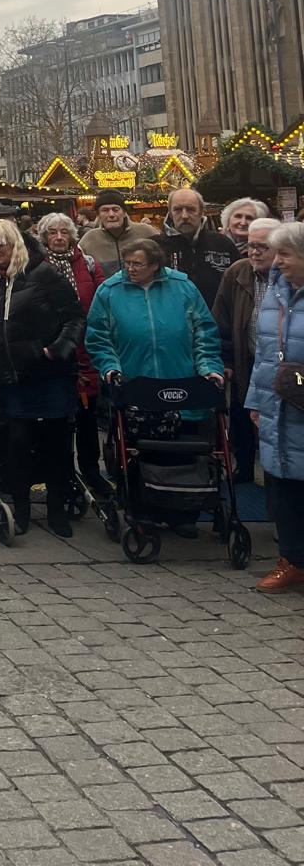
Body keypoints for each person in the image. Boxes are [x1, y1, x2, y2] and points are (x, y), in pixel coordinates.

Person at [86, 236, 224, 534]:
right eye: (127, 263)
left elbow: (204, 331)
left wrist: (209, 368)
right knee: (142, 452)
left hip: (182, 382)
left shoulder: (183, 287)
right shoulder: (110, 291)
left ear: (156, 266)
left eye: (138, 264)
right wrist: (110, 368)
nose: (130, 269)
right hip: (136, 385)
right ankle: (144, 509)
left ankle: (183, 514)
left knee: (183, 451)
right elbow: (98, 337)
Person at [0, 219, 83, 538]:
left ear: (16, 245)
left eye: (2, 243)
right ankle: (19, 511)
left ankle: (57, 510)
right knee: (17, 444)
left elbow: (74, 317)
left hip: (48, 374)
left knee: (56, 445)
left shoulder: (45, 274)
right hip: (12, 375)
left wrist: (56, 350)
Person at [245, 223, 304, 592]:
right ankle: (293, 560)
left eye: (285, 254)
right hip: (276, 405)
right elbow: (264, 354)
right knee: (281, 487)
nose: (276, 261)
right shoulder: (275, 294)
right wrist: (255, 401)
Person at [32, 211, 108, 494]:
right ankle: (61, 474)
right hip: (53, 350)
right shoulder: (36, 265)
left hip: (86, 350)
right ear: (44, 237)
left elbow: (101, 301)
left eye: (64, 232)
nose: (59, 237)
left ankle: (91, 471)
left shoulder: (88, 264)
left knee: (88, 419)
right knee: (58, 420)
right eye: (53, 232)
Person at [214, 217, 278, 482]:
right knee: (241, 414)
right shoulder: (237, 272)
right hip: (246, 359)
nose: (254, 252)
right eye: (251, 245)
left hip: (281, 366)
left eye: (262, 247)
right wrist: (225, 360)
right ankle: (244, 466)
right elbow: (222, 321)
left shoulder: (291, 275)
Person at [162, 189, 240, 306]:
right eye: (178, 209)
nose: (184, 216)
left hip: (216, 320)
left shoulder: (222, 244)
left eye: (191, 209)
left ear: (201, 212)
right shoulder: (156, 247)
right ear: (170, 213)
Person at [77, 191, 159, 277]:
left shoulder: (147, 232)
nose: (111, 214)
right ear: (99, 215)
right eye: (105, 210)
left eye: (115, 209)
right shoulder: (89, 240)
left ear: (124, 213)